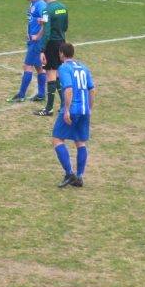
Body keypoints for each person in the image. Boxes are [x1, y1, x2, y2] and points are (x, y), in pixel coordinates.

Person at [52, 43, 95, 188]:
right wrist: (89, 109)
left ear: (62, 54)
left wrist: (67, 110)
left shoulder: (64, 68)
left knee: (57, 139)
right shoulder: (84, 67)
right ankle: (79, 176)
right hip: (84, 110)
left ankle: (69, 173)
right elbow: (92, 90)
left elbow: (68, 89)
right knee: (80, 142)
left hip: (73, 109)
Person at [9, 0, 47, 103]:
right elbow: (33, 21)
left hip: (37, 42)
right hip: (32, 40)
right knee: (39, 67)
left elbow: (46, 21)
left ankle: (21, 95)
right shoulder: (33, 3)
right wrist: (28, 32)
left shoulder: (40, 5)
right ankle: (41, 94)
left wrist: (37, 36)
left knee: (27, 66)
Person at [36, 0, 69, 117]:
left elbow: (47, 32)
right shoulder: (63, 7)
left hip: (51, 44)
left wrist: (42, 50)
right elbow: (65, 27)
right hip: (61, 43)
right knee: (59, 74)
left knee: (51, 75)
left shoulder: (46, 10)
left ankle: (49, 108)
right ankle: (63, 106)